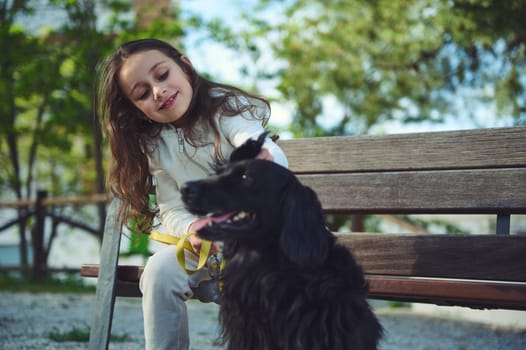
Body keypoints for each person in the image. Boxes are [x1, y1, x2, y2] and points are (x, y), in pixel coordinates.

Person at [96, 38, 288, 350]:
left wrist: (263, 158)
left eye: (162, 75)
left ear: (185, 67)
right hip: (209, 248)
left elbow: (257, 142)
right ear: (138, 111)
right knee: (159, 271)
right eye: (143, 93)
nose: (158, 91)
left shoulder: (224, 107)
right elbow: (171, 207)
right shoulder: (154, 144)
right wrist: (190, 228)